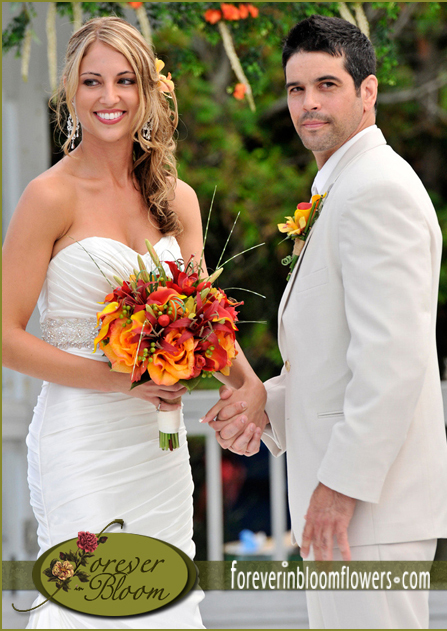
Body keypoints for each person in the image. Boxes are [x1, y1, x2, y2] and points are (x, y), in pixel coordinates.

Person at [202, 14, 447, 629]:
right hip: (349, 506)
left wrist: (339, 490)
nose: (308, 103)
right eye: (295, 88)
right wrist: (266, 405)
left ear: (367, 92)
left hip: (368, 509)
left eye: (327, 85)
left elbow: (392, 362)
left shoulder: (375, 190)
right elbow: (336, 360)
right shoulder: (343, 185)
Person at [2, 16, 211, 628]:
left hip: (159, 448)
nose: (109, 97)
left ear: (147, 91)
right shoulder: (48, 197)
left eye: (124, 81)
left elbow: (205, 324)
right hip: (83, 440)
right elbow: (7, 337)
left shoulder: (179, 199)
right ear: (72, 92)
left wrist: (246, 386)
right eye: (92, 81)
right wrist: (123, 381)